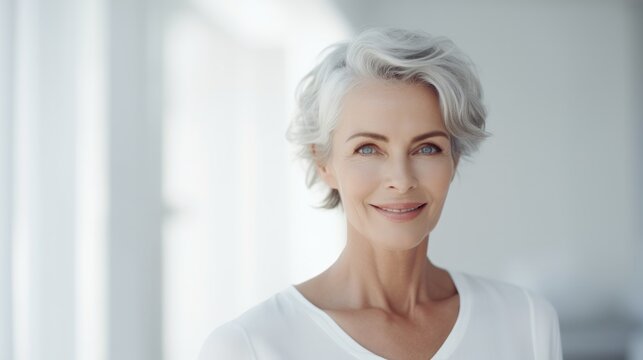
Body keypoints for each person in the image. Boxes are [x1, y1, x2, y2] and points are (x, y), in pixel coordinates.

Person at [198, 27, 563, 360]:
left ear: (455, 158)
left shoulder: (525, 321)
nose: (401, 180)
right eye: (368, 149)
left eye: (427, 148)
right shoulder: (250, 345)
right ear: (324, 162)